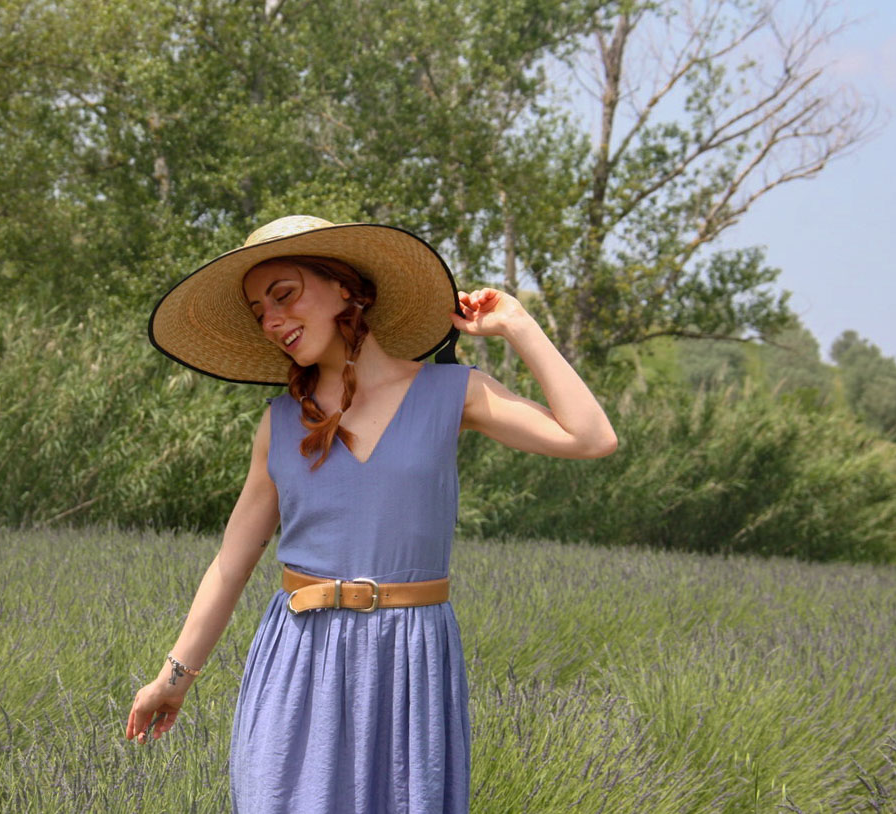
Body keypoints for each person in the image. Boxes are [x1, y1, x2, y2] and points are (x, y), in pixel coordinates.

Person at [127, 215, 617, 813]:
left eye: (284, 295)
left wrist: (516, 324)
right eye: (260, 312)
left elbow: (592, 437)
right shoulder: (279, 424)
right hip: (298, 664)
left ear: (345, 286)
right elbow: (230, 566)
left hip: (410, 667)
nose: (273, 320)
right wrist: (172, 681)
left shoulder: (454, 392)